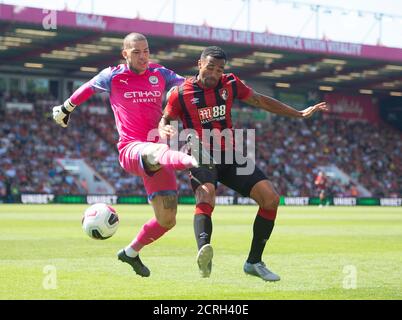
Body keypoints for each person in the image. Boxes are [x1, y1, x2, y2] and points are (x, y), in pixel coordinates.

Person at [159, 46, 328, 281]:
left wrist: (298, 114)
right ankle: (203, 250)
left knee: (270, 199)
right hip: (200, 153)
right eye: (210, 67)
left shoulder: (231, 84)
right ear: (199, 64)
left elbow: (260, 100)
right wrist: (163, 127)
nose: (215, 73)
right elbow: (165, 117)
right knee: (206, 195)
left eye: (219, 69)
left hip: (230, 153)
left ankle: (254, 262)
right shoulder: (179, 93)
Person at [52, 32, 198, 277]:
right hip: (132, 149)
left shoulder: (160, 73)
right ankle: (192, 160)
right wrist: (65, 108)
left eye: (146, 51)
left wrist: (205, 86)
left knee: (167, 219)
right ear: (125, 54)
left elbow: (186, 86)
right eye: (137, 52)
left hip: (159, 155)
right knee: (159, 150)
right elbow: (87, 89)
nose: (143, 57)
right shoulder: (113, 75)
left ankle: (131, 252)